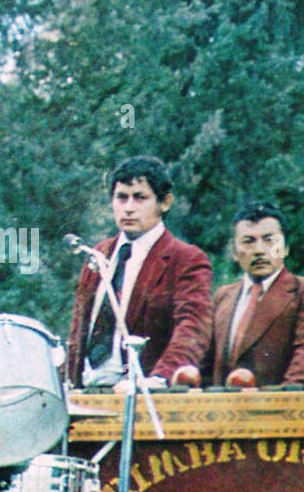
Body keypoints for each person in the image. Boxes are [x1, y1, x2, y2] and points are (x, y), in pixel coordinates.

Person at [66, 155, 213, 392]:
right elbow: (77, 332)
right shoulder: (98, 255)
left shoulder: (186, 260)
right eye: (121, 198)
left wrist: (160, 378)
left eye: (140, 198)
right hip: (87, 395)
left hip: (144, 395)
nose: (129, 208)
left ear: (165, 203)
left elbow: (193, 327)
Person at [203, 201, 304, 387]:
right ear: (234, 252)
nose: (259, 251)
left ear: (285, 248)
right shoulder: (223, 296)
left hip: (277, 411)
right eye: (248, 241)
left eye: (270, 240)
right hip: (222, 412)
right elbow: (205, 366)